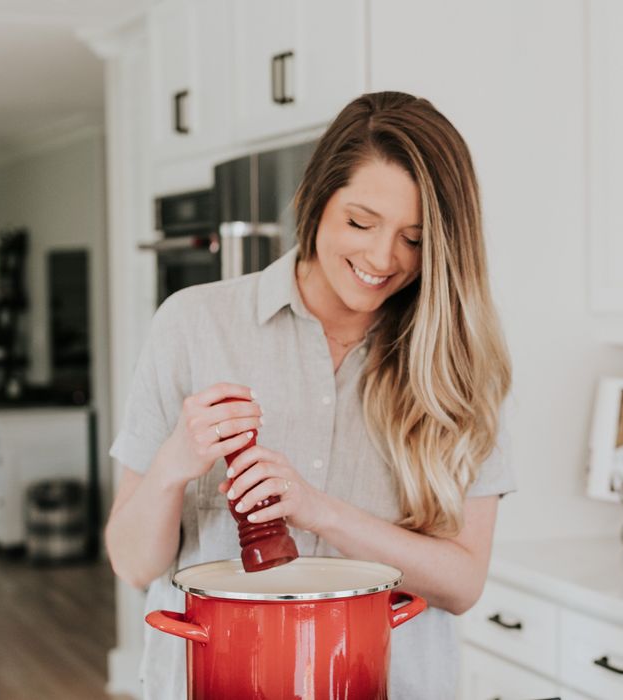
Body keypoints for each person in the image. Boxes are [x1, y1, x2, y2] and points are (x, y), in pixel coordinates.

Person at [104, 91, 514, 699]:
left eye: (415, 239)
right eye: (360, 222)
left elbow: (462, 583)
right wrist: (172, 464)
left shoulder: (458, 363)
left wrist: (316, 508)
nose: (382, 258)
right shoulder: (194, 323)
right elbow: (134, 564)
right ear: (315, 202)